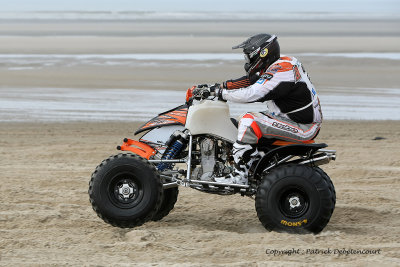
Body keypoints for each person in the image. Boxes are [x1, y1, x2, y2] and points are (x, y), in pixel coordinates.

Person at [188, 33, 323, 185]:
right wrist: (219, 86)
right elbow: (252, 79)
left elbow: (252, 94)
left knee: (249, 120)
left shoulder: (282, 71)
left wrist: (220, 93)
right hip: (292, 120)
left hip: (303, 127)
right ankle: (248, 161)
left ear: (262, 54)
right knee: (236, 123)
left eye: (248, 57)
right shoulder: (284, 62)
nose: (247, 61)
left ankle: (240, 175)